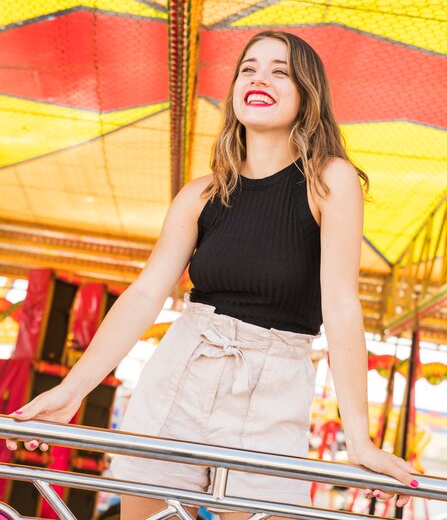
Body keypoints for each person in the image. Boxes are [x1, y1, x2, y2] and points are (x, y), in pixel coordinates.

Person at [7, 31, 419, 519]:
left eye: (279, 70)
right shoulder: (200, 195)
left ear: (308, 94)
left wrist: (360, 440)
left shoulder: (330, 180)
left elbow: (342, 306)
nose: (259, 77)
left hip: (274, 384)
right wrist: (72, 390)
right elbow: (144, 295)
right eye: (248, 68)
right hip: (183, 369)